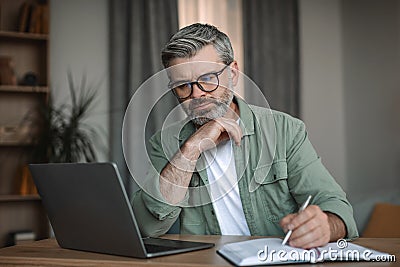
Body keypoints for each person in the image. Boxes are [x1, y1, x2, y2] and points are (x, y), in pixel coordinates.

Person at [132, 23, 358, 249]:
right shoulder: (164, 143)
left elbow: (338, 209)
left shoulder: (285, 130)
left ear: (232, 73)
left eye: (208, 78)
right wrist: (192, 148)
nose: (197, 94)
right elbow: (148, 227)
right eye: (183, 86)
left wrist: (325, 226)